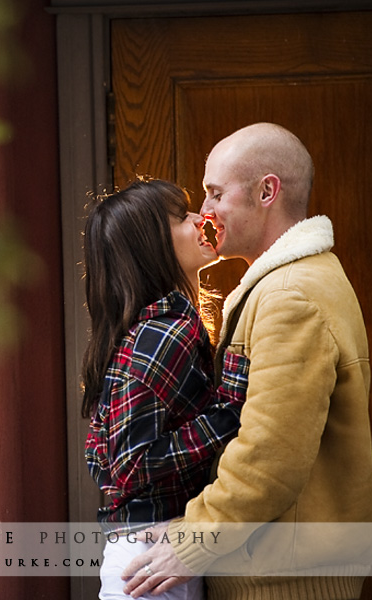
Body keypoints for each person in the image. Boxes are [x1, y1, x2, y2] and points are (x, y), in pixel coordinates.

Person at [121, 123, 372, 600]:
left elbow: (270, 455)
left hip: (283, 579)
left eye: (216, 193)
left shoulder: (289, 296)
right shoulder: (294, 282)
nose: (205, 212)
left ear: (267, 191)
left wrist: (190, 540)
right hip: (278, 565)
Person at [82, 178, 251, 600]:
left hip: (156, 550)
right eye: (181, 217)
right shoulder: (163, 333)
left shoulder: (166, 325)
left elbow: (104, 457)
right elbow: (129, 465)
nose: (202, 219)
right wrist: (228, 412)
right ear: (151, 247)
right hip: (149, 560)